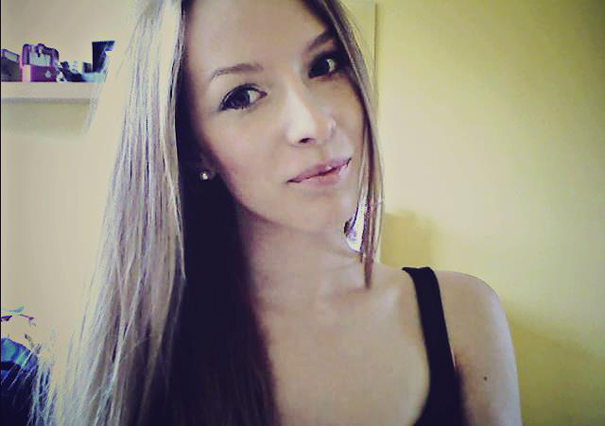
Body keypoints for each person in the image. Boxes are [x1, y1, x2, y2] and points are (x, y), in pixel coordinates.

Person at [27, 0, 522, 425]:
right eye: (242, 96)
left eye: (324, 64)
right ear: (194, 149)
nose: (314, 124)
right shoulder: (146, 354)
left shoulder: (464, 315)